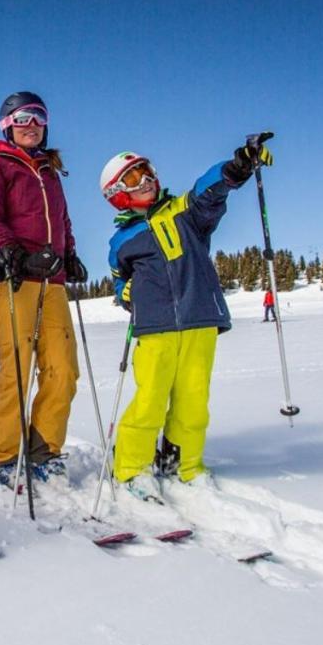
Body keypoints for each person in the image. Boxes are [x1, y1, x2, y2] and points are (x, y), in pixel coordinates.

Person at [101, 135, 274, 500]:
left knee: (193, 400)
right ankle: (131, 467)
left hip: (199, 319)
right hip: (155, 328)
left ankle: (184, 464)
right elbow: (119, 283)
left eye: (146, 172)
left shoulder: (185, 212)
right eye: (133, 179)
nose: (145, 181)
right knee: (150, 399)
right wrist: (125, 293)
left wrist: (238, 165)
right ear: (116, 193)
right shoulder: (121, 242)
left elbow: (208, 191)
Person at [0, 91, 86, 488]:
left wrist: (69, 254)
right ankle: (5, 455)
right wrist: (16, 255)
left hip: (51, 281)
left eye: (38, 117)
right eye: (22, 118)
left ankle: (44, 449)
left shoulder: (50, 170)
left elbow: (62, 219)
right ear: (7, 126)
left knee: (63, 369)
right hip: (12, 278)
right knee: (18, 365)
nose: (31, 125)